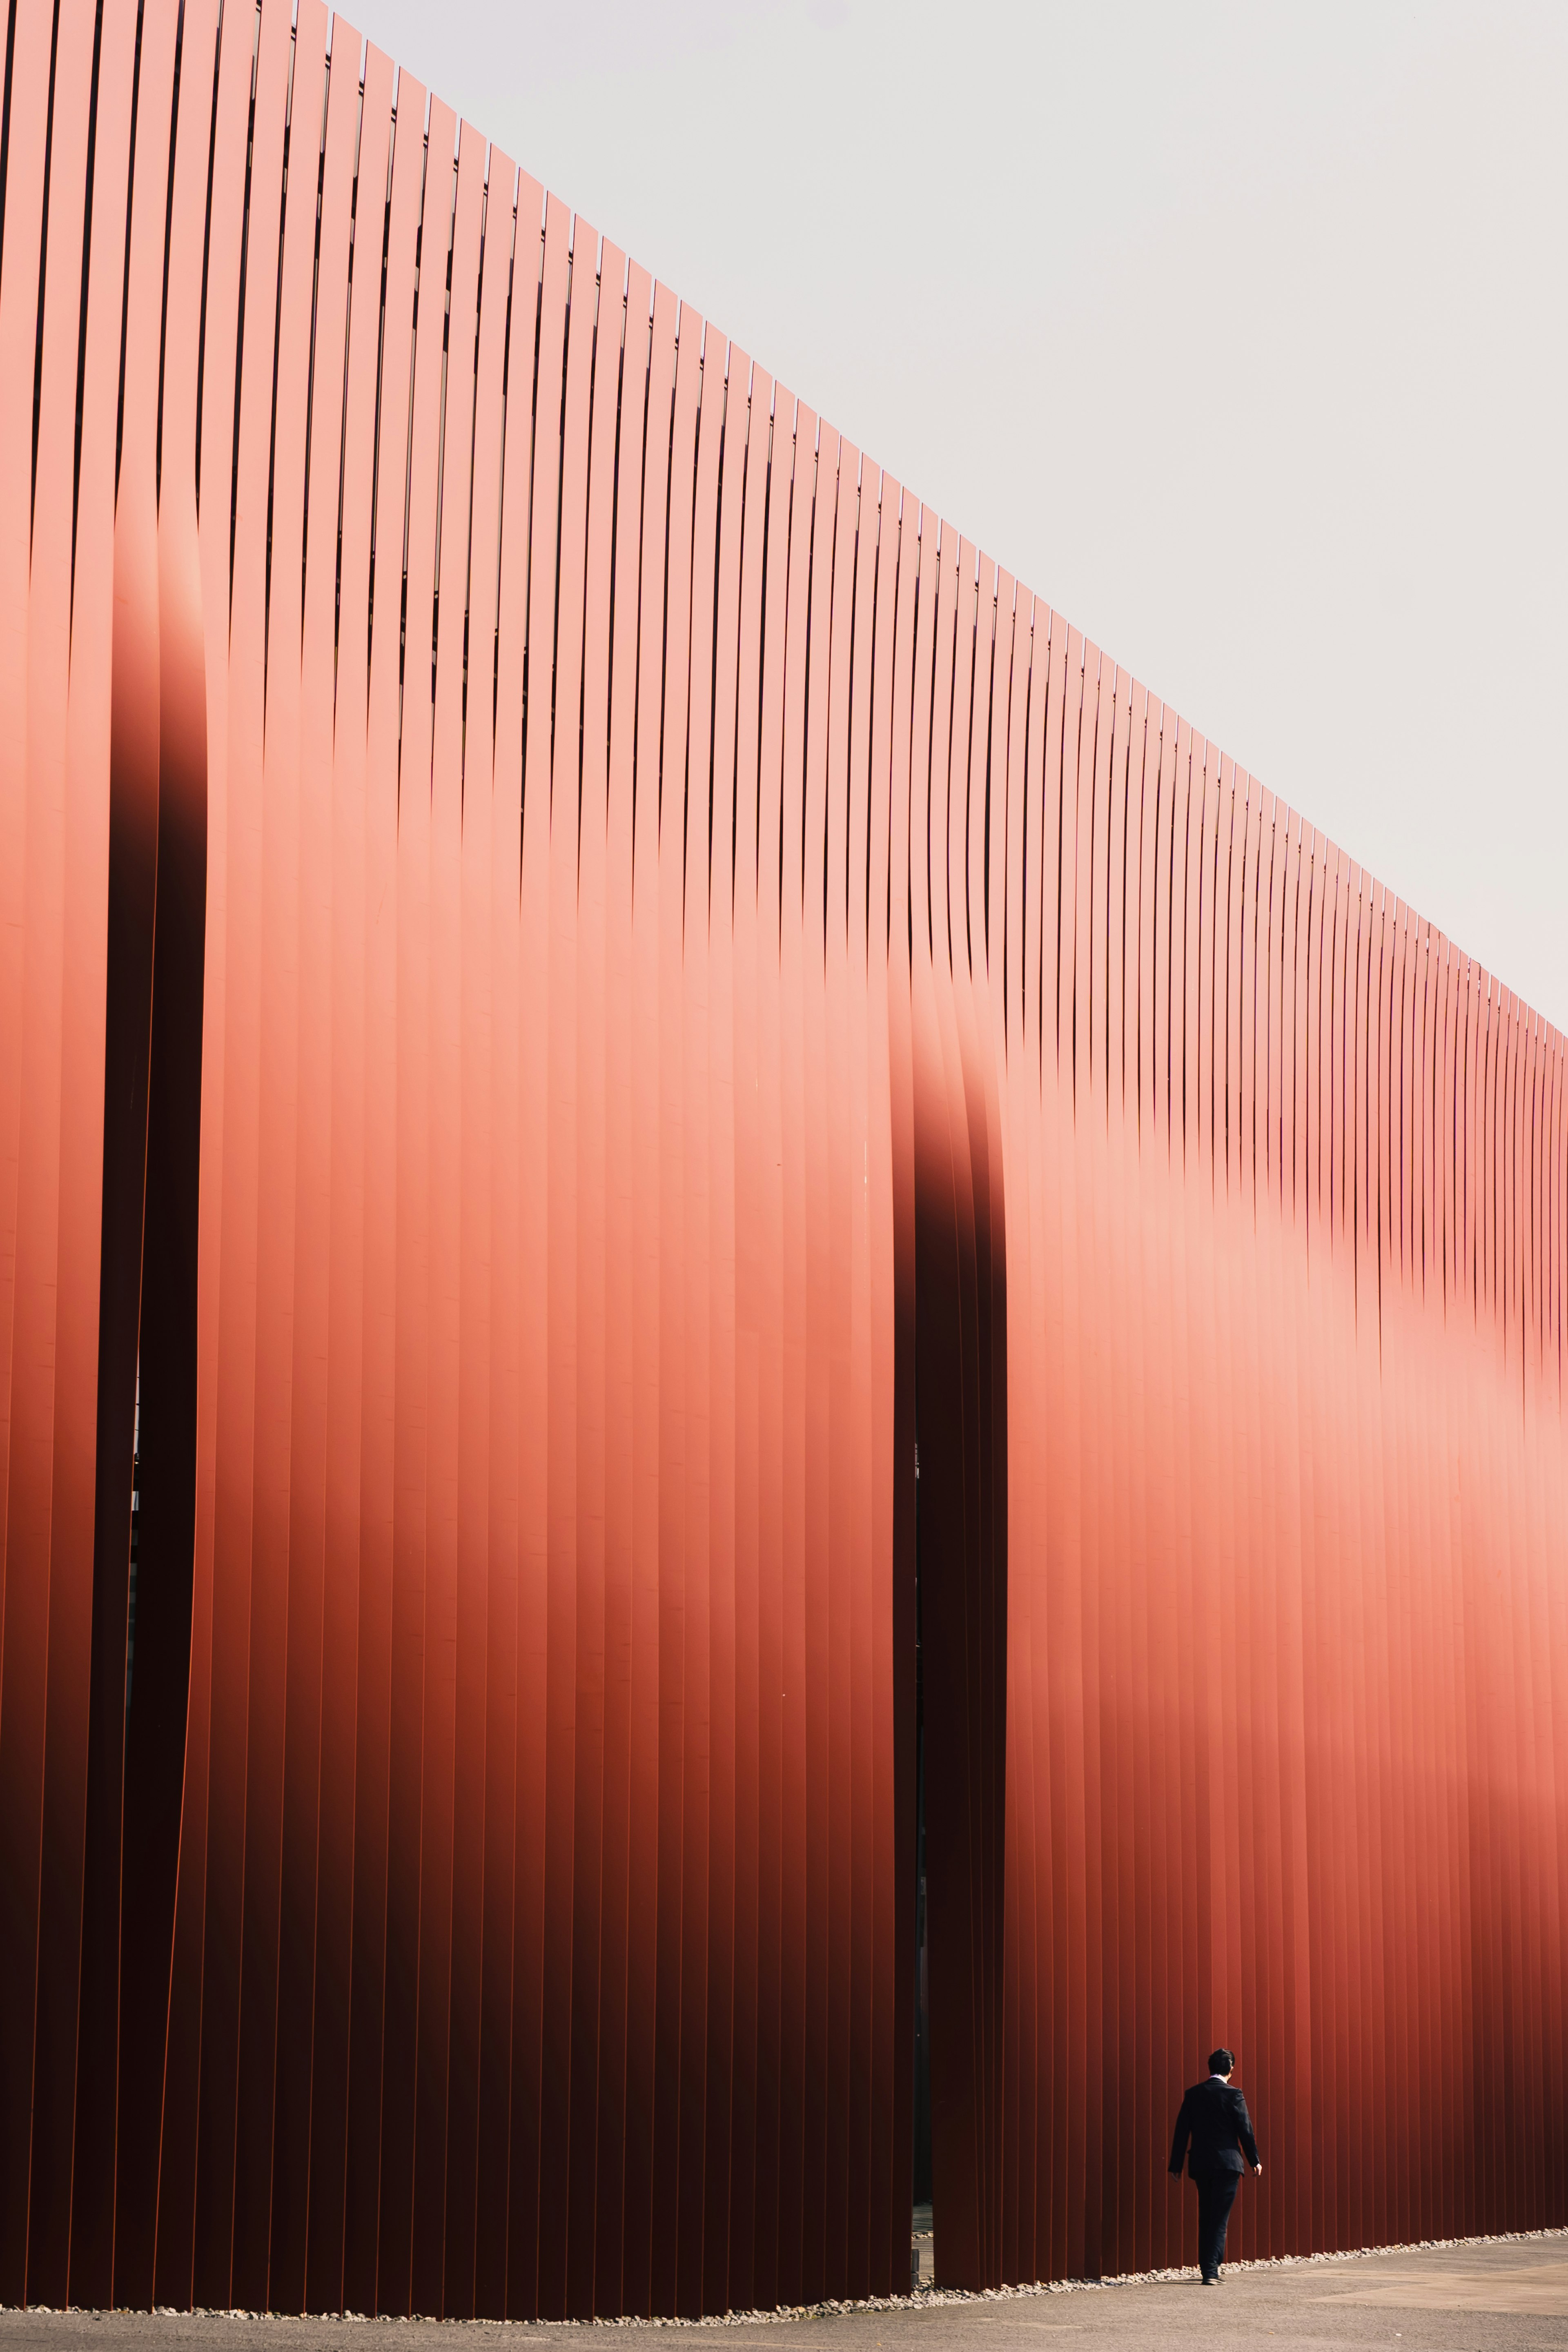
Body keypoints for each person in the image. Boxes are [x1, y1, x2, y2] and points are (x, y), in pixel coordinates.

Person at [1168, 2047, 1262, 2285]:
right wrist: (1255, 2161)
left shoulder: (1193, 2094)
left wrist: (1176, 2165)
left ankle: (1210, 2266)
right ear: (1231, 2069)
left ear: (1210, 2069)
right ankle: (1210, 2271)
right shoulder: (1234, 2094)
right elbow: (1245, 2130)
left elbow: (1182, 2131)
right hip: (1228, 2165)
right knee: (1219, 2219)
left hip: (1201, 2164)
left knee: (1207, 2216)